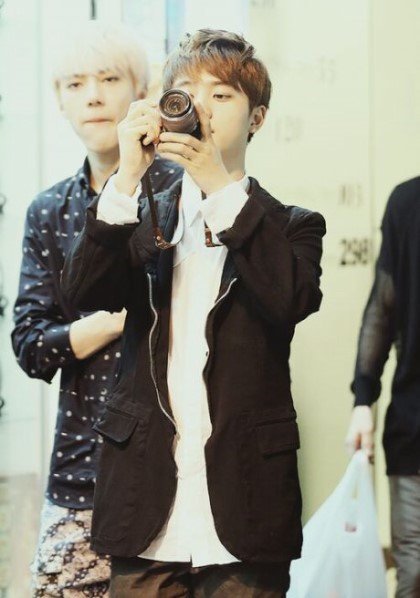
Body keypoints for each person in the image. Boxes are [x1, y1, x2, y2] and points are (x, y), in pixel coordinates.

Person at [61, 29, 326, 597]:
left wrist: (217, 184)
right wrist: (127, 176)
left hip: (245, 507)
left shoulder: (292, 226)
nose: (199, 106)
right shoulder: (140, 214)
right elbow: (81, 292)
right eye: (185, 91)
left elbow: (290, 300)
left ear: (256, 119)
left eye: (221, 95)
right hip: (145, 504)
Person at [11, 21, 181, 597]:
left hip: (173, 469)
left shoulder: (184, 191)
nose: (92, 96)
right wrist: (112, 323)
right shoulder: (49, 210)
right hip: (80, 465)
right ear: (59, 101)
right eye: (75, 84)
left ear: (141, 91)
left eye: (109, 79)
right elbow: (31, 345)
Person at [346, 179, 420, 597]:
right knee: (414, 571)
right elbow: (383, 307)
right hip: (414, 427)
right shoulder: (408, 202)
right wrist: (363, 401)